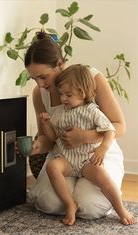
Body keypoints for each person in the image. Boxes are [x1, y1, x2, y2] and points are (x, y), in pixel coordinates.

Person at [24, 32, 127, 221]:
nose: (40, 84)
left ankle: (108, 194)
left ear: (60, 64)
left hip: (95, 155)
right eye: (34, 79)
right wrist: (37, 146)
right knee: (50, 203)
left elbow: (119, 126)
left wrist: (86, 137)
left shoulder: (92, 79)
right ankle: (71, 199)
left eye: (43, 77)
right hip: (64, 155)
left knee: (89, 207)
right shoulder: (39, 94)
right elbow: (49, 139)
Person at [38, 64, 134, 225]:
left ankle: (120, 208)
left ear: (82, 93)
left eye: (68, 95)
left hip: (86, 160)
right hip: (67, 159)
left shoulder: (92, 111)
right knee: (52, 167)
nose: (63, 99)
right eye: (61, 94)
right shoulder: (61, 113)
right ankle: (70, 203)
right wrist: (47, 124)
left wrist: (102, 149)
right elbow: (53, 137)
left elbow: (109, 130)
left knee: (104, 179)